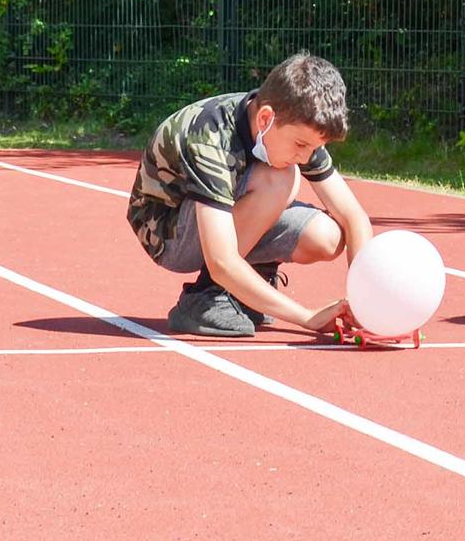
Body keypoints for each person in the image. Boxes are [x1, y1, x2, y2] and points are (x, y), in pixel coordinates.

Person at [128, 52, 374, 338]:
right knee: (280, 178)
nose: (305, 156)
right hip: (166, 232)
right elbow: (221, 261)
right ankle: (204, 297)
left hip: (223, 216)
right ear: (266, 117)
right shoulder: (209, 136)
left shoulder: (292, 123)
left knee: (327, 236)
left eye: (312, 148)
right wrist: (307, 318)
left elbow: (353, 216)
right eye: (300, 145)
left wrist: (364, 300)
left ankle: (249, 282)